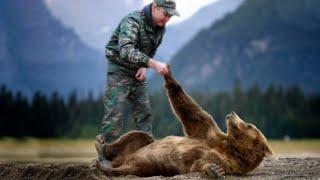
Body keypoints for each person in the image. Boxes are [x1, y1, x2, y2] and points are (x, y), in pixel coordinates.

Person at [96, 0, 180, 144]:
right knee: (115, 115)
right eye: (165, 14)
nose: (167, 18)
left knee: (144, 114)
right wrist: (152, 64)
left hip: (137, 71)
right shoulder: (132, 21)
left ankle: (147, 153)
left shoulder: (160, 28)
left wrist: (144, 66)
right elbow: (125, 50)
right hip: (119, 70)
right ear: (154, 7)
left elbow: (151, 49)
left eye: (170, 16)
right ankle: (107, 155)